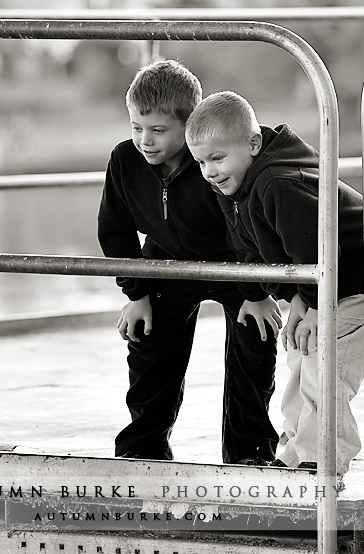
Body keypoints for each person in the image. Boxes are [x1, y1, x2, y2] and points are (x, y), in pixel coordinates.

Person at [185, 90, 364, 476]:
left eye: (217, 158)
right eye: (200, 162)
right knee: (300, 355)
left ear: (253, 144)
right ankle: (294, 452)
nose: (209, 171)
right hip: (320, 277)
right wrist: (296, 301)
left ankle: (323, 460)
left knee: (326, 363)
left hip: (361, 270)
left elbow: (322, 249)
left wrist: (317, 306)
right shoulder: (232, 184)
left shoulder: (278, 183)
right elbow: (251, 248)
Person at [97, 61, 281, 465]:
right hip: (168, 266)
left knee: (256, 345)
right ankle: (142, 450)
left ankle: (248, 453)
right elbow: (116, 232)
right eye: (135, 127)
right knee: (147, 348)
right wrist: (138, 291)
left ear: (190, 125)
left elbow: (247, 228)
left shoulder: (213, 163)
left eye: (158, 130)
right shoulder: (125, 162)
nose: (144, 140)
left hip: (236, 265)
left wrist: (257, 292)